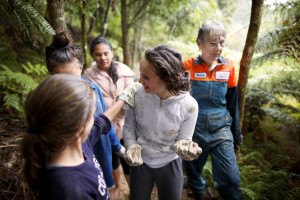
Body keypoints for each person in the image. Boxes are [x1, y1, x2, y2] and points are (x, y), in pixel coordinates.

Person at [20, 74, 131, 199]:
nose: (94, 118)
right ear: (79, 126)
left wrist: (123, 99)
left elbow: (103, 121)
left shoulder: (76, 141)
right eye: (92, 114)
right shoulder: (68, 190)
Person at [44, 31, 126, 189]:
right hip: (72, 164)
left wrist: (117, 147)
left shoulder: (92, 89)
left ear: (81, 68)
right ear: (51, 73)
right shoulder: (47, 99)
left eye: (74, 78)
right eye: (61, 79)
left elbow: (104, 121)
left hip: (99, 152)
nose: (70, 85)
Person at [122, 45, 202, 200]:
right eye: (140, 73)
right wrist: (131, 146)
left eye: (146, 77)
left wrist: (186, 148)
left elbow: (183, 140)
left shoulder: (189, 105)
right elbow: (129, 126)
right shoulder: (137, 93)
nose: (140, 80)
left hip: (169, 161)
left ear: (167, 79)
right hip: (141, 160)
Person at [183, 20, 243, 200]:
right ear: (199, 43)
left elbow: (233, 104)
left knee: (231, 179)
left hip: (221, 131)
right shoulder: (187, 66)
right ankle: (197, 195)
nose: (218, 48)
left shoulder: (229, 67)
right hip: (194, 131)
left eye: (222, 43)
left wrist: (236, 134)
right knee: (193, 175)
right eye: (213, 42)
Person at [84, 37, 135, 198]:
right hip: (104, 125)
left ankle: (133, 190)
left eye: (106, 53)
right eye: (98, 54)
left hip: (126, 124)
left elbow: (134, 94)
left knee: (128, 159)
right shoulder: (88, 75)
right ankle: (117, 186)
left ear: (112, 53)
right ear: (92, 56)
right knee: (112, 159)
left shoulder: (124, 71)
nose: (103, 58)